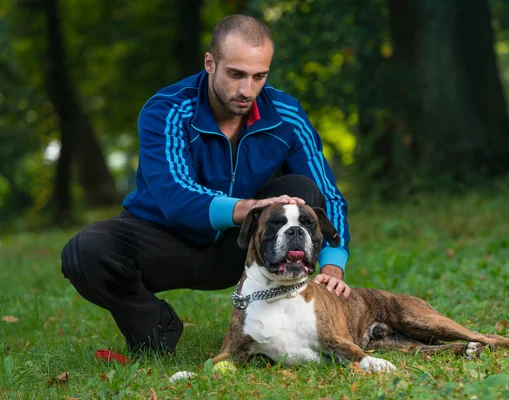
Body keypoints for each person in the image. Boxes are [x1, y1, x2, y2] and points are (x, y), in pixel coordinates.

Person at [60, 14, 351, 355]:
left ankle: (278, 328)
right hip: (163, 239)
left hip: (239, 246)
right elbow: (174, 193)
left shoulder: (286, 114)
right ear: (210, 63)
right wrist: (244, 208)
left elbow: (326, 194)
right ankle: (154, 330)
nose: (247, 90)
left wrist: (333, 260)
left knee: (300, 188)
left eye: (259, 76)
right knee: (85, 251)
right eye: (236, 74)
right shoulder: (166, 109)